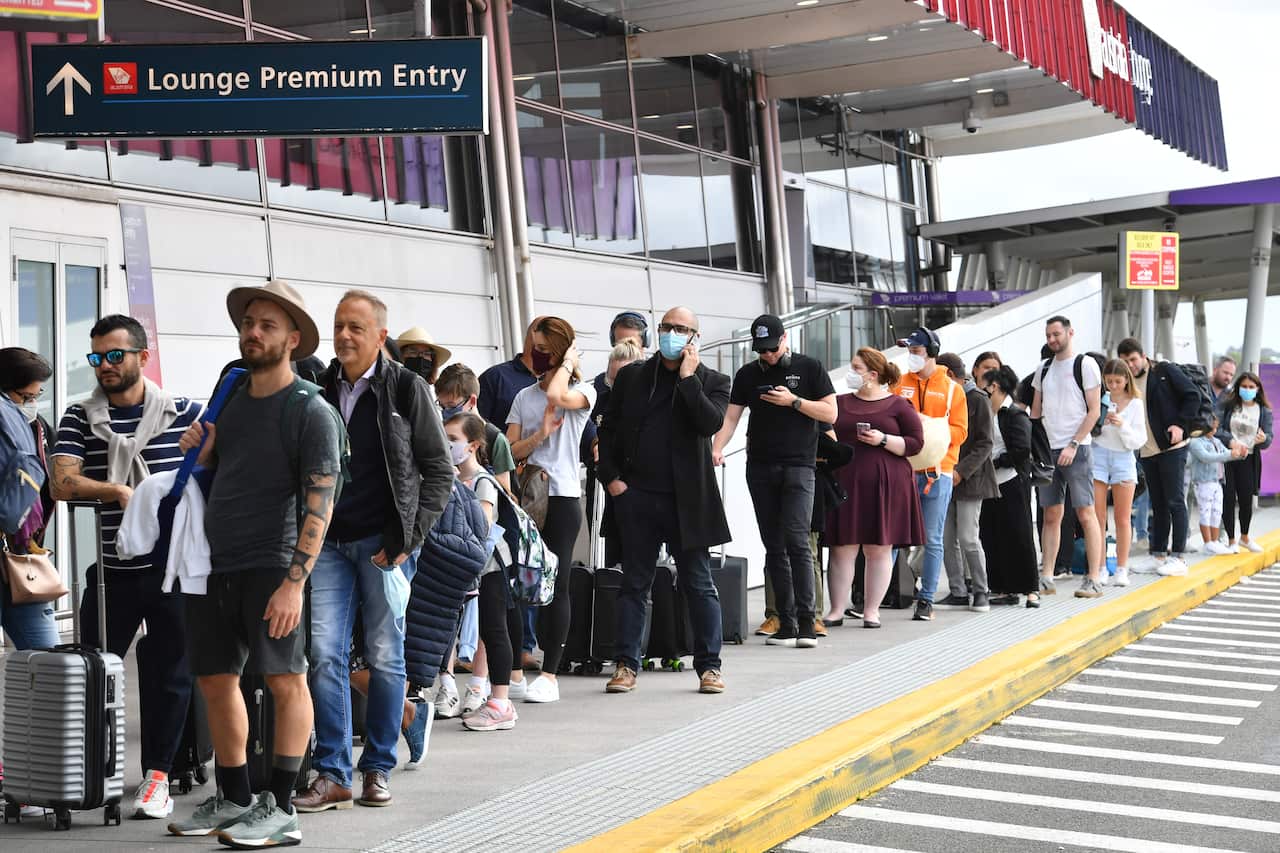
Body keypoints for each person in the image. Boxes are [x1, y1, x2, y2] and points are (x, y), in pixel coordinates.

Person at [168, 281, 341, 847]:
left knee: (286, 680)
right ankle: (235, 797)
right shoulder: (233, 396)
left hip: (274, 565)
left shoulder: (310, 410)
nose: (253, 332)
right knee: (216, 681)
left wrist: (295, 583)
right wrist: (208, 447)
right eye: (249, 323)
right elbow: (225, 469)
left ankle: (283, 807)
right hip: (214, 563)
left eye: (268, 325)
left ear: (292, 339)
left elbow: (320, 503)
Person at [295, 291, 454, 812]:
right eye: (339, 325)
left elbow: (439, 471)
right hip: (328, 547)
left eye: (355, 327)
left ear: (380, 336)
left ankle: (377, 767)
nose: (343, 335)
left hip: (383, 547)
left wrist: (408, 542)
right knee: (324, 655)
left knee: (386, 657)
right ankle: (333, 769)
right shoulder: (317, 387)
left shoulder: (405, 388)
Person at [49, 315, 203, 821]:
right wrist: (115, 491)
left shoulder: (184, 413)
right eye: (97, 358)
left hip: (172, 569)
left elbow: (225, 463)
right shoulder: (79, 417)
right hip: (111, 570)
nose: (106, 366)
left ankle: (157, 775)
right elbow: (62, 483)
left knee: (169, 676)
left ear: (143, 355)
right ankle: (90, 773)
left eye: (116, 355)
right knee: (95, 674)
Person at [597, 306, 729, 694]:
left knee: (698, 583)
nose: (673, 334)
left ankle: (710, 667)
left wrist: (688, 380)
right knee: (634, 584)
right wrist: (612, 479)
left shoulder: (714, 381)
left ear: (694, 338)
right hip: (638, 496)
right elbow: (611, 428)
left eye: (682, 329)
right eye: (668, 327)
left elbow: (710, 423)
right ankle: (625, 665)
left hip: (689, 501)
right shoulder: (634, 376)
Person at [713, 314, 836, 647]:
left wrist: (793, 401)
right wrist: (717, 448)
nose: (766, 355)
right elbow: (732, 416)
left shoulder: (810, 368)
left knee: (797, 540)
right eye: (761, 350)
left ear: (784, 340)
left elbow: (830, 413)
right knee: (774, 546)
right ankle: (786, 621)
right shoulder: (748, 374)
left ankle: (809, 622)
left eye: (771, 348)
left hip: (799, 466)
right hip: (761, 467)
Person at [505, 316, 595, 702]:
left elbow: (559, 396)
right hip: (526, 497)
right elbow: (508, 451)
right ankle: (511, 670)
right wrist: (539, 435)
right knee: (514, 583)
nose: (534, 354)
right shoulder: (523, 397)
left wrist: (568, 364)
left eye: (543, 349)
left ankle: (551, 675)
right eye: (532, 346)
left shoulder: (585, 392)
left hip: (561, 497)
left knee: (556, 585)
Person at [824, 348, 924, 628]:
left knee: (878, 548)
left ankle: (872, 610)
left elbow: (916, 443)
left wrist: (882, 439)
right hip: (845, 481)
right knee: (842, 547)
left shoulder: (899, 405)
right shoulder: (839, 402)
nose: (851, 373)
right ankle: (836, 609)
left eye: (856, 368)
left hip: (887, 483)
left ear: (873, 374)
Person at [446, 411, 520, 730]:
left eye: (454, 440)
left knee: (493, 629)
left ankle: (500, 702)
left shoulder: (482, 482)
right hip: (466, 569)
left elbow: (483, 527)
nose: (448, 446)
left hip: (490, 568)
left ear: (473, 445)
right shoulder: (450, 479)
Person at [891, 327, 968, 622]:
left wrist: (927, 426)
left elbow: (960, 432)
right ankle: (879, 596)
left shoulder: (952, 390)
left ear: (932, 353)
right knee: (895, 538)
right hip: (904, 470)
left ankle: (926, 599)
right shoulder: (899, 383)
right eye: (909, 352)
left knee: (932, 538)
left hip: (938, 471)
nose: (911, 357)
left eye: (916, 351)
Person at [1030, 316, 1105, 599]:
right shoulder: (1043, 368)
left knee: (1085, 512)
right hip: (1048, 451)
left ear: (1070, 333)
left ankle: (1094, 578)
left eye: (1057, 334)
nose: (1052, 340)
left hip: (1078, 449)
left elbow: (1094, 410)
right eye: (1049, 335)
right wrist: (1035, 448)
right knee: (1051, 513)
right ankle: (1047, 575)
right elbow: (1035, 414)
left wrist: (1073, 444)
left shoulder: (1085, 365)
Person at [1117, 337, 1201, 576]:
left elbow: (1191, 396)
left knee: (1175, 500)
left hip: (1172, 446)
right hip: (1147, 449)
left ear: (1144, 356)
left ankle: (1179, 557)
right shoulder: (1127, 382)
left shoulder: (1164, 371)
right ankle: (1158, 554)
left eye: (1133, 359)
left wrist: (1179, 424)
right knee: (1158, 503)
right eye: (1125, 361)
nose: (1130, 365)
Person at [0, 347, 59, 651]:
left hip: (25, 556)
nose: (31, 404)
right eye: (23, 397)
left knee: (52, 661)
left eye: (36, 396)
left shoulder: (38, 429)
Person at [935, 352, 998, 613]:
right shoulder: (946, 397)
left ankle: (981, 591)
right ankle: (958, 590)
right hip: (944, 474)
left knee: (968, 538)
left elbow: (986, 443)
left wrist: (961, 471)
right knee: (947, 538)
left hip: (970, 479)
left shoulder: (977, 399)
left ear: (948, 373)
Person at [979, 366, 1041, 607]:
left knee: (1020, 534)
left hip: (1012, 481)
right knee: (993, 535)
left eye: (984, 385)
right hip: (989, 482)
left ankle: (1031, 589)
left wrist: (996, 462)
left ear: (994, 387)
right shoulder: (988, 413)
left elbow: (1022, 451)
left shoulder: (1014, 415)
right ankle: (1003, 588)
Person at [1091, 359, 1148, 586]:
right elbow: (1090, 430)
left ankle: (1122, 568)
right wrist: (1101, 423)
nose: (1113, 386)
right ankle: (1100, 567)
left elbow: (1139, 440)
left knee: (1122, 518)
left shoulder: (1135, 403)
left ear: (1126, 380)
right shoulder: (1099, 399)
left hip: (1124, 458)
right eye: (1109, 381)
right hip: (1098, 455)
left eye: (1117, 381)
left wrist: (1121, 425)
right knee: (1098, 516)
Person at [436, 363, 517, 494]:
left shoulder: (496, 439)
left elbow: (505, 493)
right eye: (442, 406)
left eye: (452, 406)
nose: (446, 412)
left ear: (472, 401)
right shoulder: (441, 433)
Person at [1217, 372, 1273, 554]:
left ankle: (1245, 537)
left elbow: (1268, 438)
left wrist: (1263, 439)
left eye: (1251, 387)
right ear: (1238, 387)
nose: (1248, 390)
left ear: (1257, 389)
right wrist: (1230, 442)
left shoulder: (1264, 410)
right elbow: (1217, 429)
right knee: (1228, 498)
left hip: (1249, 459)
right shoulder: (1228, 406)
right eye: (1244, 386)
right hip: (1228, 457)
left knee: (1246, 499)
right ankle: (1231, 540)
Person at [477, 316, 546, 430]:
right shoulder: (495, 377)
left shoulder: (560, 379)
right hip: (508, 446)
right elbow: (477, 426)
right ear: (534, 337)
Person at [1190, 416, 1241, 558]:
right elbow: (1207, 457)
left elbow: (1226, 454)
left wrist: (1238, 454)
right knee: (1205, 511)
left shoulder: (1217, 441)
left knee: (1217, 511)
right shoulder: (1195, 443)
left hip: (1218, 481)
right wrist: (1229, 454)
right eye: (1213, 427)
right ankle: (1207, 543)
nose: (1215, 430)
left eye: (1216, 427)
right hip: (1203, 481)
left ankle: (1214, 540)